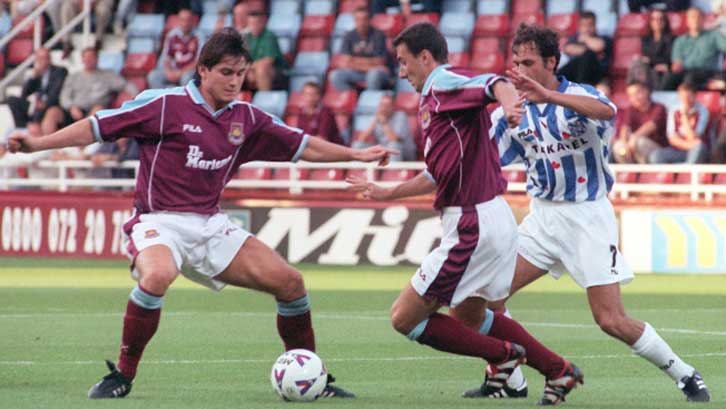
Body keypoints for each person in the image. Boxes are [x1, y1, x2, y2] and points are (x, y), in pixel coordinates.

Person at [7, 28, 398, 400]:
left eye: (241, 74)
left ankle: (316, 374)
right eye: (226, 73)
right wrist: (37, 143)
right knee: (158, 275)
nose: (234, 81)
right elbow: (97, 127)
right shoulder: (163, 104)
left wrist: (357, 154)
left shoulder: (246, 118)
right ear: (203, 70)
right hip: (158, 221)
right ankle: (123, 374)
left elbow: (302, 146)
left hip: (211, 224)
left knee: (291, 283)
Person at [461, 23, 710, 403]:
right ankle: (508, 376)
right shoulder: (513, 112)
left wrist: (549, 96)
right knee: (482, 296)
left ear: (551, 62)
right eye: (515, 62)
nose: (520, 70)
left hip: (587, 218)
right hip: (542, 218)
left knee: (611, 320)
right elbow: (483, 157)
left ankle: (684, 373)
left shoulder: (578, 97)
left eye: (528, 62)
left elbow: (607, 110)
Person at [346, 22, 583, 405]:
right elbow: (436, 174)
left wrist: (509, 104)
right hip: (492, 218)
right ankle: (558, 370)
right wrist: (388, 192)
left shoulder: (442, 83)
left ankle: (503, 357)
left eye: (405, 62)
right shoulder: (438, 100)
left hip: (472, 224)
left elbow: (494, 83)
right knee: (470, 315)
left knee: (404, 318)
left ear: (425, 57)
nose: (401, 72)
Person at [42, 47, 132, 135]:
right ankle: (48, 144)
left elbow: (126, 85)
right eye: (86, 57)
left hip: (94, 111)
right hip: (73, 111)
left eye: (91, 57)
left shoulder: (108, 76)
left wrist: (135, 96)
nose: (89, 60)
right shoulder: (73, 77)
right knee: (52, 112)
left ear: (97, 59)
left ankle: (85, 148)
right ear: (82, 59)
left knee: (97, 111)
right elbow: (64, 96)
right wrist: (71, 107)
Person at [330, 6, 393, 91]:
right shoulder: (348, 36)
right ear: (354, 20)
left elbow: (380, 61)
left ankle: (370, 101)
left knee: (373, 75)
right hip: (358, 72)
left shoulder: (378, 35)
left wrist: (354, 61)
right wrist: (370, 64)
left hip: (377, 73)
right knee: (335, 75)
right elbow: (345, 62)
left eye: (364, 19)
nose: (361, 22)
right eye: (358, 19)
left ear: (369, 20)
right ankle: (353, 99)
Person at [662, 7, 726, 90]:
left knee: (691, 78)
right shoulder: (680, 40)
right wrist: (676, 66)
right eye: (692, 17)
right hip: (686, 72)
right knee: (669, 78)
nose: (695, 20)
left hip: (708, 72)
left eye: (698, 17)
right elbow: (677, 63)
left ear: (704, 20)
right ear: (687, 21)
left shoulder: (714, 35)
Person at [5, 48, 67, 130]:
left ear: (49, 59)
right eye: (39, 58)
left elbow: (56, 92)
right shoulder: (37, 73)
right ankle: (23, 127)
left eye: (44, 58)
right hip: (36, 104)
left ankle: (34, 127)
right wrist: (33, 77)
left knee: (44, 109)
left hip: (51, 104)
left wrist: (45, 103)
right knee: (12, 100)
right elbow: (24, 94)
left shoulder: (60, 71)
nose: (42, 61)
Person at [651, 81, 710, 163]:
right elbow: (672, 138)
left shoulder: (702, 111)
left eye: (689, 97)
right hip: (679, 149)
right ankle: (666, 175)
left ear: (695, 96)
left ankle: (686, 173)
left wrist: (685, 118)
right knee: (656, 155)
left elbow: (693, 137)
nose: (686, 100)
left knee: (699, 147)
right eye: (683, 97)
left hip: (697, 151)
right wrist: (689, 145)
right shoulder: (674, 111)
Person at [613, 81, 669, 163]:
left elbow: (651, 126)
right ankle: (629, 173)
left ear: (646, 92)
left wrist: (634, 138)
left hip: (658, 148)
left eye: (637, 93)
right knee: (618, 146)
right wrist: (624, 143)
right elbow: (625, 128)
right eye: (631, 95)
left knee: (640, 143)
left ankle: (646, 173)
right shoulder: (630, 109)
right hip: (633, 146)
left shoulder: (659, 107)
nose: (634, 98)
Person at [147, 8, 202, 89]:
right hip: (173, 69)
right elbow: (166, 57)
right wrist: (169, 71)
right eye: (182, 20)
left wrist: (180, 73)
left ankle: (183, 101)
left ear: (192, 21)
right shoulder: (172, 35)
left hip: (189, 71)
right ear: (179, 21)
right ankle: (164, 99)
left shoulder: (199, 36)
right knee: (153, 76)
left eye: (188, 20)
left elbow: (199, 61)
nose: (185, 23)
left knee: (186, 79)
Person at [351, 93, 416, 161]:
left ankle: (393, 171)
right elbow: (361, 138)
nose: (384, 108)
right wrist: (374, 121)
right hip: (384, 150)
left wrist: (384, 123)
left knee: (393, 146)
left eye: (387, 105)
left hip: (403, 152)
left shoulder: (400, 116)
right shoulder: (376, 116)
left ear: (393, 107)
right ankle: (357, 171)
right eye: (382, 105)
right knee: (357, 145)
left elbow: (394, 139)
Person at [558, 11, 612, 85]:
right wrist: (588, 49)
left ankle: (582, 87)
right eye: (584, 25)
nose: (587, 29)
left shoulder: (604, 38)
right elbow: (568, 48)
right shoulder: (574, 39)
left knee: (588, 56)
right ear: (579, 27)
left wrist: (586, 39)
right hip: (575, 74)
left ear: (595, 25)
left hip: (596, 75)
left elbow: (598, 46)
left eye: (590, 25)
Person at [628, 9, 675, 90]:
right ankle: (634, 88)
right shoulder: (645, 39)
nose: (657, 22)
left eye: (661, 19)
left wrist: (651, 61)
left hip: (664, 70)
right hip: (648, 67)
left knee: (640, 65)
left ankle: (636, 88)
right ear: (650, 22)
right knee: (637, 63)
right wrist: (652, 62)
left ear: (665, 21)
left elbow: (668, 58)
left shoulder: (671, 39)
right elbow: (646, 57)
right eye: (654, 19)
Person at [244, 11, 288, 91]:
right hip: (252, 69)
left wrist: (251, 68)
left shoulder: (269, 36)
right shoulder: (247, 37)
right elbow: (244, 59)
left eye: (256, 23)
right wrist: (249, 71)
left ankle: (264, 99)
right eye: (250, 24)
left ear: (262, 23)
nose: (253, 27)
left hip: (276, 71)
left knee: (262, 69)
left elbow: (269, 60)